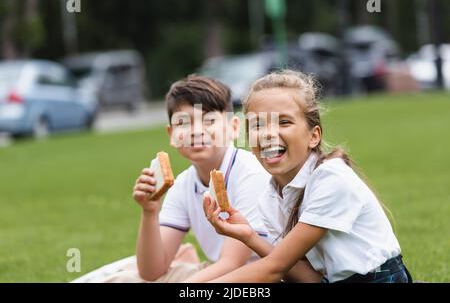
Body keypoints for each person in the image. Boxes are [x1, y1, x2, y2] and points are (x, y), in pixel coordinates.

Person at [203, 70, 412, 283]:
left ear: (313, 136)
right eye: (258, 125)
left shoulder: (331, 178)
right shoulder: (269, 198)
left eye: (283, 122)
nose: (267, 133)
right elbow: (309, 279)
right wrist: (249, 236)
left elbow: (273, 268)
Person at [72, 75, 270, 283]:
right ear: (171, 134)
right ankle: (186, 258)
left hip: (258, 278)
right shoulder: (183, 184)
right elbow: (151, 272)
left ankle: (186, 258)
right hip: (216, 274)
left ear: (234, 127)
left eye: (209, 120)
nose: (196, 131)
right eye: (183, 123)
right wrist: (149, 211)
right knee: (126, 280)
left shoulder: (250, 173)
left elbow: (232, 263)